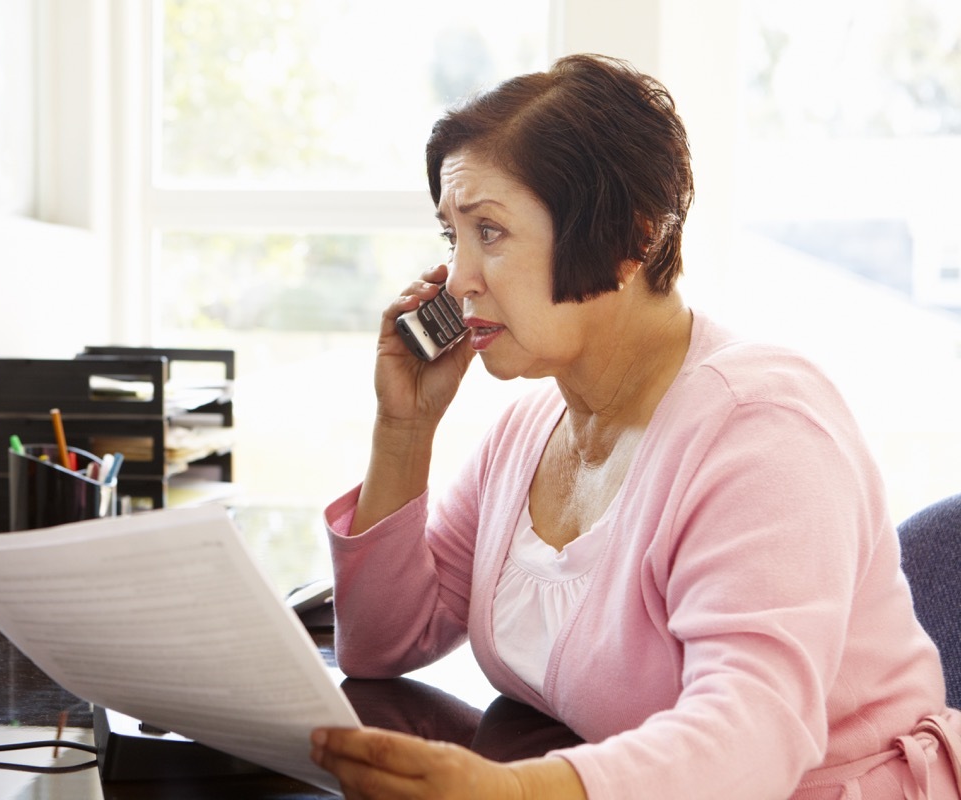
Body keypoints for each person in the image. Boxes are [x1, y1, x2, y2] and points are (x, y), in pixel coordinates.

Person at [309, 53, 961, 799]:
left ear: (629, 241)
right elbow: (382, 642)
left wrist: (520, 792)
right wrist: (403, 430)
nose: (457, 280)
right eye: (450, 236)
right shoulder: (530, 428)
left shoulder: (763, 429)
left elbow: (754, 732)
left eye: (489, 232)